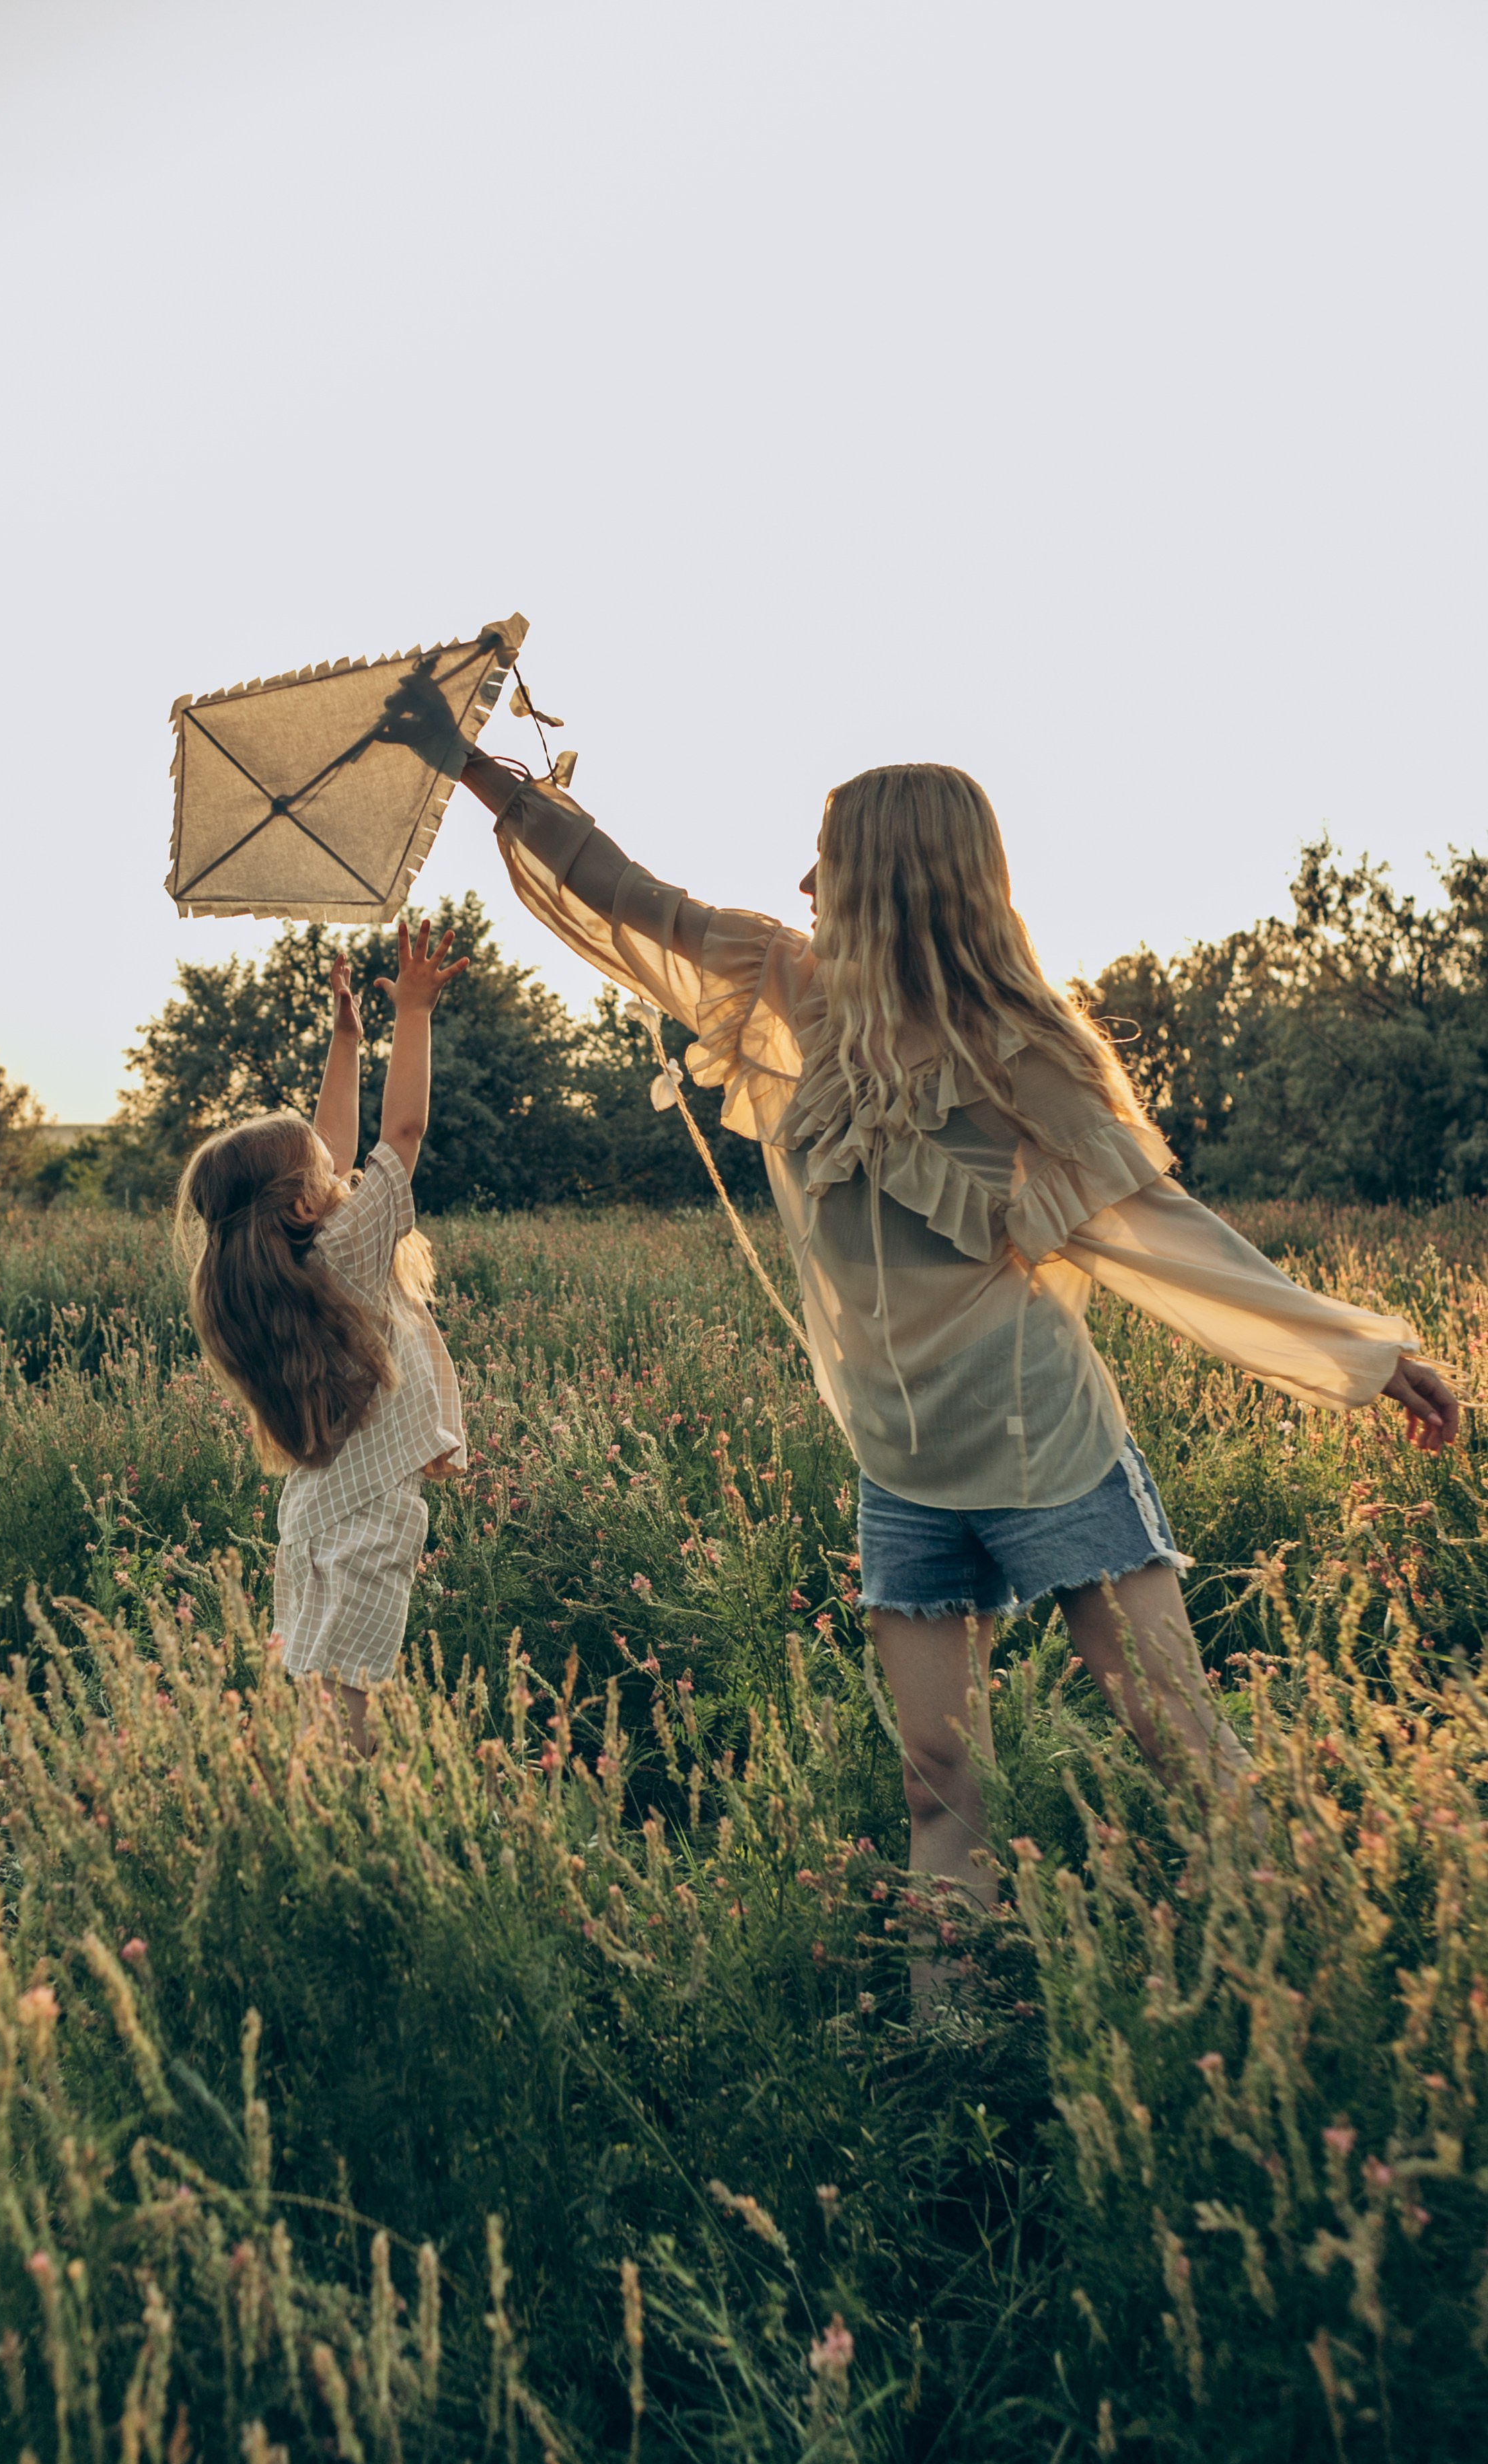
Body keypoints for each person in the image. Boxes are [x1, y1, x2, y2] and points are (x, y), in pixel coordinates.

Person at [374, 671, 1458, 1896]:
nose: (799, 885)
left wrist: (1365, 1357)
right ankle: (945, 2045)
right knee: (937, 1775)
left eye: (825, 858)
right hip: (900, 1464)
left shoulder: (1019, 1050)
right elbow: (620, 887)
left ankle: (1301, 1957)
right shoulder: (783, 985)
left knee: (1177, 1742)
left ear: (891, 875)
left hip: (1040, 1443)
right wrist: (468, 763)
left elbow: (1164, 1228)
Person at [177, 926, 468, 1747]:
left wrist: (346, 1041)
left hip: (312, 1515)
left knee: (318, 1682)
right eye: (321, 1177)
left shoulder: (268, 1270)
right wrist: (413, 1010)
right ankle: (337, 1823)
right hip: (371, 1515)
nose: (338, 1178)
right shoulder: (345, 1251)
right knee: (353, 1707)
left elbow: (328, 1150)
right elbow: (398, 1137)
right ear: (302, 1204)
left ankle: (308, 1801)